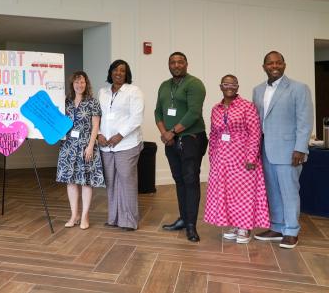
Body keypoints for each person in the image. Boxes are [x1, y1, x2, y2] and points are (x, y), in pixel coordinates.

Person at [252, 51, 313, 249]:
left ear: (284, 65)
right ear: (264, 67)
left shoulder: (299, 88)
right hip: (265, 150)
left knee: (289, 191)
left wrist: (300, 148)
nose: (274, 66)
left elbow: (305, 121)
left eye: (278, 62)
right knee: (272, 191)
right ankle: (277, 227)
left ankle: (291, 230)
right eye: (270, 63)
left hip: (289, 151)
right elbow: (256, 122)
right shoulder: (258, 90)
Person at [204, 75, 269, 243]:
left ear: (238, 86)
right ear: (220, 87)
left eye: (233, 84)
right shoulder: (216, 109)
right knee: (228, 193)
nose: (229, 87)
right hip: (222, 160)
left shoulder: (247, 106)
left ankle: (245, 228)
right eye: (225, 84)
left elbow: (255, 133)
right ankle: (235, 224)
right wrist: (213, 157)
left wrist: (251, 158)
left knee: (244, 194)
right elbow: (213, 134)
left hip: (243, 158)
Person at [155, 52, 207, 242]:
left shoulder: (194, 84)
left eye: (180, 62)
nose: (176, 65)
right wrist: (164, 133)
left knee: (190, 180)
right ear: (168, 65)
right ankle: (183, 219)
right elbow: (158, 111)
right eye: (172, 62)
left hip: (191, 139)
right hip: (170, 140)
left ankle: (192, 225)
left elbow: (194, 113)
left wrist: (173, 132)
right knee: (179, 180)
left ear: (186, 64)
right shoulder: (164, 85)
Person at [97, 60, 144, 231]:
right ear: (110, 72)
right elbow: (97, 116)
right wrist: (98, 134)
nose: (118, 73)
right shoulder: (102, 92)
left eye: (122, 71)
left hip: (127, 144)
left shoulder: (134, 91)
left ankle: (129, 221)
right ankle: (114, 218)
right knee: (111, 181)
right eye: (115, 70)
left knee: (127, 181)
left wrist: (119, 135)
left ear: (127, 74)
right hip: (105, 145)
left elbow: (136, 118)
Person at [56, 71, 104, 230]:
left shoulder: (92, 102)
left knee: (86, 181)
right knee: (70, 181)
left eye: (82, 82)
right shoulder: (66, 102)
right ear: (72, 84)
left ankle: (84, 216)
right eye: (76, 82)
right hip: (68, 146)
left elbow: (96, 125)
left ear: (86, 83)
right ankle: (74, 215)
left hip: (86, 146)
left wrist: (91, 145)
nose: (79, 85)